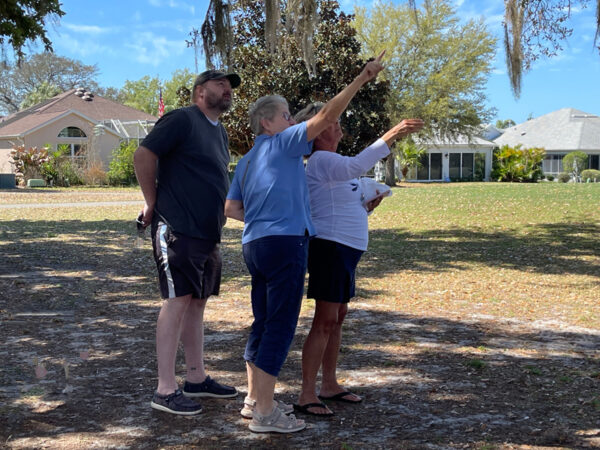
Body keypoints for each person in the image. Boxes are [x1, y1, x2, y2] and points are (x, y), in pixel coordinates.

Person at [224, 52, 386, 433]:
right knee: (280, 326)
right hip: (284, 246)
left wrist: (267, 220)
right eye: (285, 115)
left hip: (256, 246)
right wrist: (362, 78)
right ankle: (266, 413)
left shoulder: (247, 160)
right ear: (267, 122)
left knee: (263, 322)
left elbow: (232, 207)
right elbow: (327, 116)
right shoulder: (283, 144)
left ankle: (253, 400)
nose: (293, 121)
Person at [293, 102, 424, 416]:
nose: (339, 126)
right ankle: (307, 393)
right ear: (317, 131)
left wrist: (366, 206)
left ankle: (330, 384)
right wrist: (392, 134)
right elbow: (355, 167)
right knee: (324, 321)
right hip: (330, 250)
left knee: (336, 318)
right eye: (333, 121)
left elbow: (342, 198)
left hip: (345, 251)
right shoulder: (322, 159)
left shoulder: (332, 161)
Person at [134, 69, 241, 416]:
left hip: (207, 232)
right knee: (176, 302)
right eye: (219, 84)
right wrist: (152, 203)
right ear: (200, 91)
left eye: (228, 86)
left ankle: (196, 378)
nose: (226, 89)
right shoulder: (182, 119)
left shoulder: (220, 131)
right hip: (177, 227)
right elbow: (143, 155)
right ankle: (165, 389)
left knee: (197, 303)